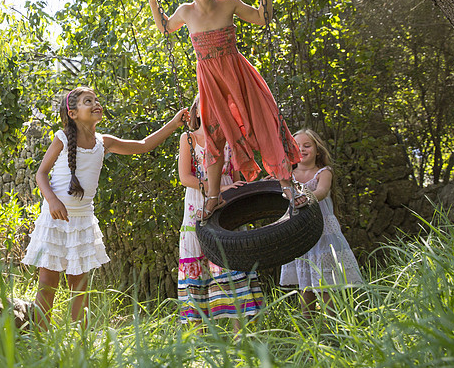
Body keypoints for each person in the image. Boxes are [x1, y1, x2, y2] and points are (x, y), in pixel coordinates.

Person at [147, 0, 302, 221]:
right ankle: (213, 196)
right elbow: (164, 27)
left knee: (264, 121)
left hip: (238, 75)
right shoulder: (185, 12)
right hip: (210, 81)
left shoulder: (229, 3)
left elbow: (261, 18)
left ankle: (287, 184)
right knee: (213, 134)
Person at [22, 86, 186, 330]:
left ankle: (81, 339)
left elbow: (142, 144)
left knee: (79, 284)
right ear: (73, 112)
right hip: (55, 220)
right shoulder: (63, 139)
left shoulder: (103, 142)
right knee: (48, 281)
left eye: (96, 100)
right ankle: (38, 336)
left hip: (82, 220)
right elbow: (41, 174)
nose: (96, 103)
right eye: (88, 101)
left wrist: (174, 124)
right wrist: (52, 201)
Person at [177, 95, 263, 330]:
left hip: (227, 205)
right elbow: (185, 177)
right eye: (205, 107)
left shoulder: (231, 141)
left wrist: (232, 191)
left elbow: (236, 179)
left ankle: (239, 334)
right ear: (195, 111)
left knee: (230, 258)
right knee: (198, 257)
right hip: (198, 202)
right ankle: (197, 333)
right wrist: (217, 187)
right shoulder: (189, 139)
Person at [280, 129, 362, 316]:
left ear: (318, 150)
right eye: (296, 146)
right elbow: (283, 190)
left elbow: (322, 191)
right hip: (300, 233)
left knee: (327, 282)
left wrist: (304, 198)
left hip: (323, 232)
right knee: (305, 284)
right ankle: (307, 326)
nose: (301, 149)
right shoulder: (288, 176)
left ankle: (330, 325)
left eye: (307, 145)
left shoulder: (324, 172)